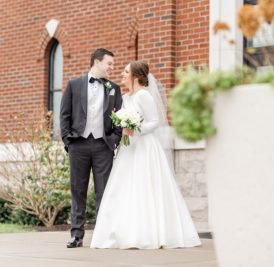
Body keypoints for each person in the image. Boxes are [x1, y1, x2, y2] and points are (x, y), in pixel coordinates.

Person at [90, 61, 201, 249]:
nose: (122, 74)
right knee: (125, 187)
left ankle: (150, 234)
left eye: (126, 72)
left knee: (145, 187)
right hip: (128, 149)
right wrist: (123, 128)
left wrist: (136, 129)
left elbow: (155, 121)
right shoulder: (125, 97)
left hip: (145, 148)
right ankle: (123, 232)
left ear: (135, 76)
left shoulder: (144, 96)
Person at [60, 48, 122, 248]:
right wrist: (68, 140)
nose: (112, 68)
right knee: (78, 190)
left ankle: (102, 235)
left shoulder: (114, 88)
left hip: (103, 146)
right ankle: (76, 235)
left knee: (104, 191)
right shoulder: (74, 85)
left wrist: (114, 139)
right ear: (97, 62)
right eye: (109, 64)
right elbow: (65, 115)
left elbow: (119, 118)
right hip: (78, 145)